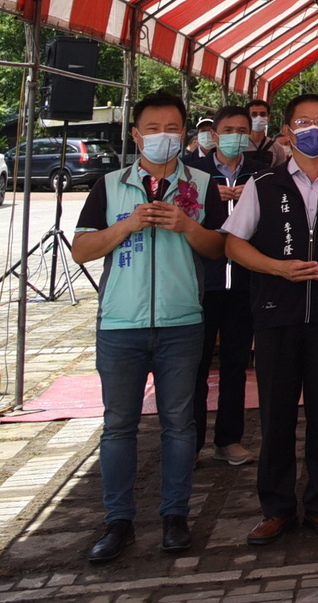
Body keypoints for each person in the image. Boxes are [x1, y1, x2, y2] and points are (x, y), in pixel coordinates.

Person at [71, 93, 228, 563]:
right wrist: (126, 226)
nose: (165, 137)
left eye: (173, 128)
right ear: (136, 134)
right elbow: (81, 250)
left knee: (179, 424)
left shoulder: (202, 184)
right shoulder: (109, 185)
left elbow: (219, 247)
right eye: (154, 128)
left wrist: (185, 225)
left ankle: (174, 516)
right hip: (121, 324)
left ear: (185, 134)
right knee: (119, 426)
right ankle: (117, 520)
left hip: (183, 322)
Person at [224, 94, 318, 546]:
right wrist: (277, 267)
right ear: (286, 131)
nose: (314, 128)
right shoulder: (264, 184)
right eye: (304, 121)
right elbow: (233, 244)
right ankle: (277, 508)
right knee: (277, 415)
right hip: (276, 314)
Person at [193, 105, 263, 466]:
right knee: (197, 363)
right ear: (215, 134)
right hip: (203, 282)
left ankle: (229, 438)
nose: (236, 136)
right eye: (228, 130)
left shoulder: (261, 173)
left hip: (245, 282)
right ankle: (191, 442)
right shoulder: (195, 173)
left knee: (236, 362)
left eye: (242, 130)